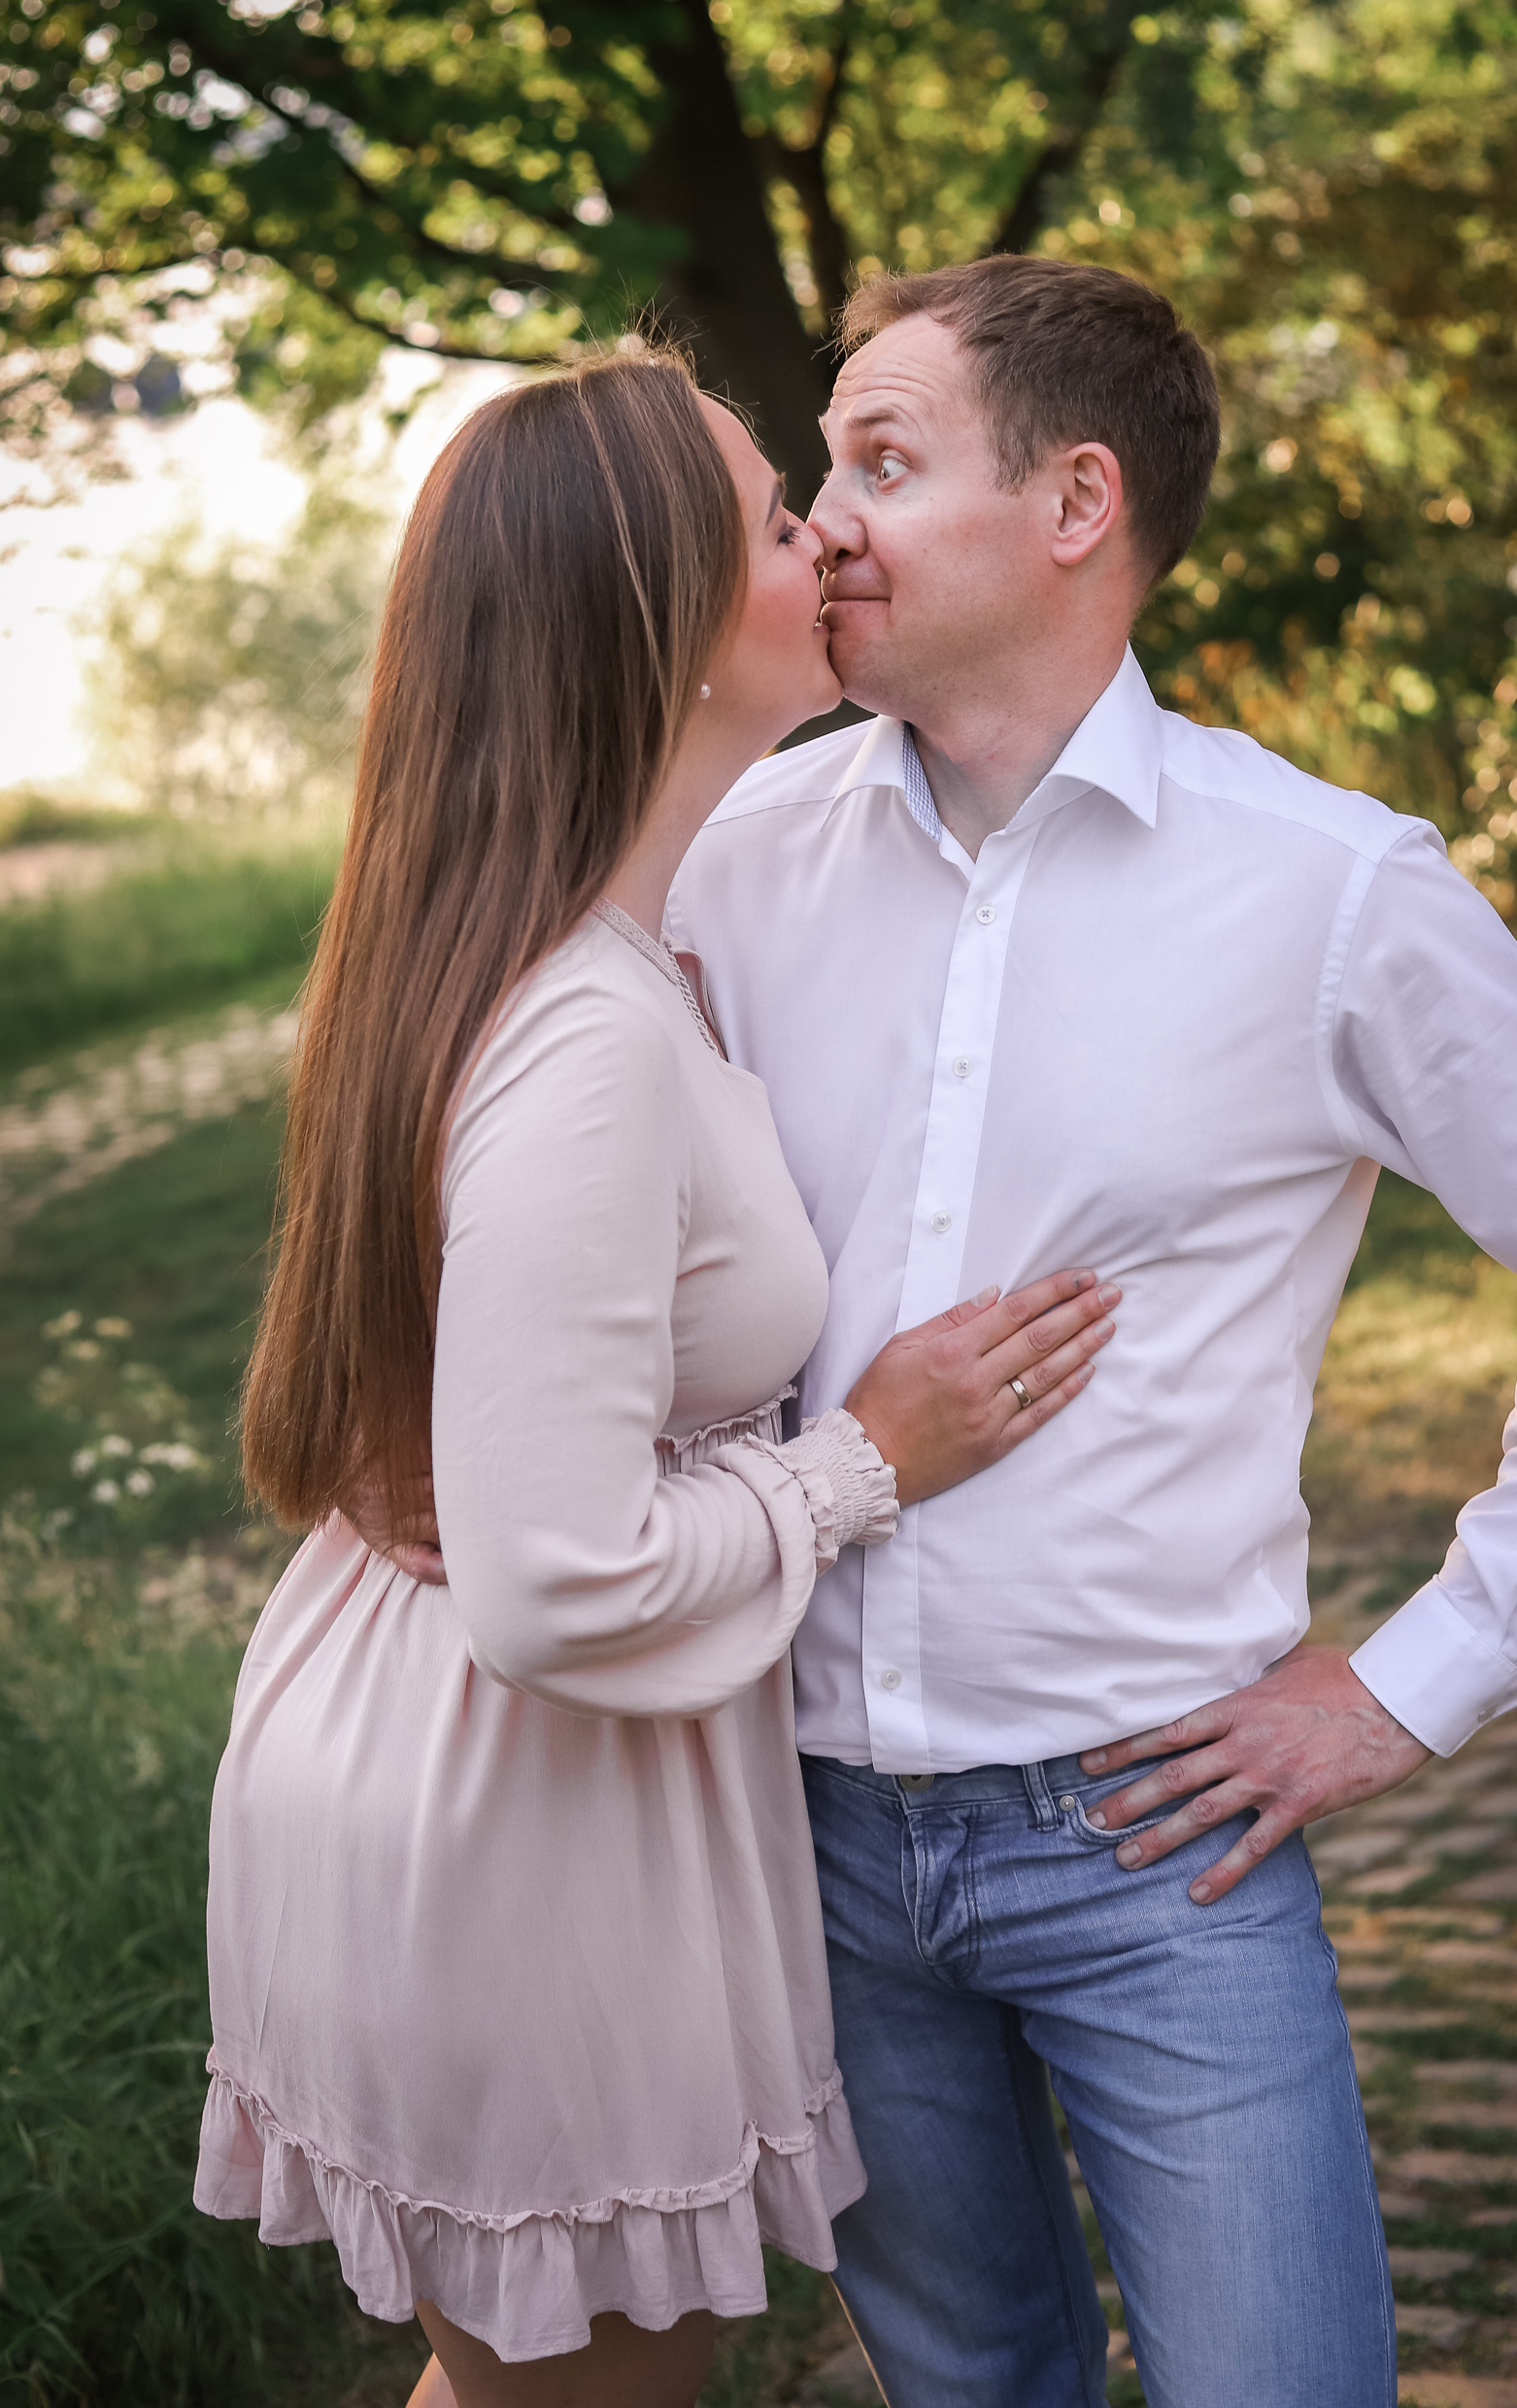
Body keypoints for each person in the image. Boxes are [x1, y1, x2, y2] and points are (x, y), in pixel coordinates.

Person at [662, 256, 1517, 2407]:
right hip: (796, 1827)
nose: (822, 523)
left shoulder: (1330, 889)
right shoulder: (733, 858)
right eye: (821, 467)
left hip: (1156, 1843)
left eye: (879, 461)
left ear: (1074, 503)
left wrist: (1415, 1682)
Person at [193, 348, 1120, 2408]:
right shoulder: (587, 1028)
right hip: (516, 1817)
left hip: (444, 1753)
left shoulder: (562, 941)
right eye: (779, 521)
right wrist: (863, 1460)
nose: (832, 536)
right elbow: (551, 1583)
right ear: (671, 625)